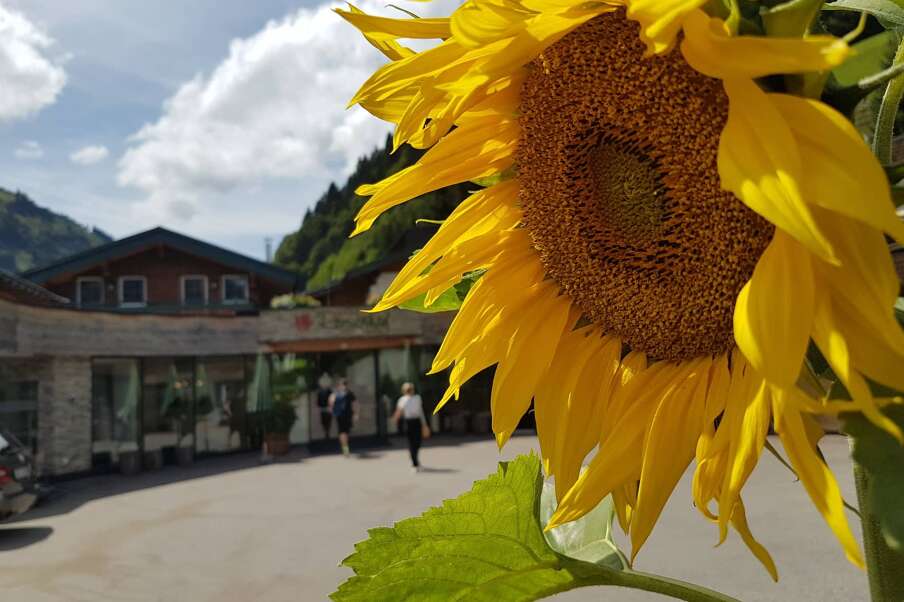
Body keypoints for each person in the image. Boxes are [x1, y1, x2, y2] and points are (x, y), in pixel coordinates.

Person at [392, 382, 429, 472]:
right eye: (407, 389)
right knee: (412, 443)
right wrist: (395, 419)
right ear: (404, 391)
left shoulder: (417, 398)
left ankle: (414, 459)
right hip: (409, 422)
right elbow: (399, 411)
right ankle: (415, 463)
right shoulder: (402, 399)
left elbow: (420, 412)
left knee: (417, 442)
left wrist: (424, 424)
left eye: (410, 389)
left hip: (417, 421)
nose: (409, 391)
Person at [328, 378, 357, 457]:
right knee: (344, 432)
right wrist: (355, 414)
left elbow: (330, 402)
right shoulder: (349, 393)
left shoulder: (335, 393)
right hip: (346, 415)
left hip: (340, 415)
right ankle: (345, 449)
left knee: (343, 432)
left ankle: (345, 448)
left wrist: (332, 412)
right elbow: (354, 404)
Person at [316, 373, 333, 440]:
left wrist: (331, 406)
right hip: (322, 408)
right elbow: (318, 400)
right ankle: (326, 431)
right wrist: (318, 406)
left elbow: (332, 399)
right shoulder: (320, 392)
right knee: (323, 420)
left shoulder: (329, 391)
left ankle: (327, 432)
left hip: (328, 407)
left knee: (328, 419)